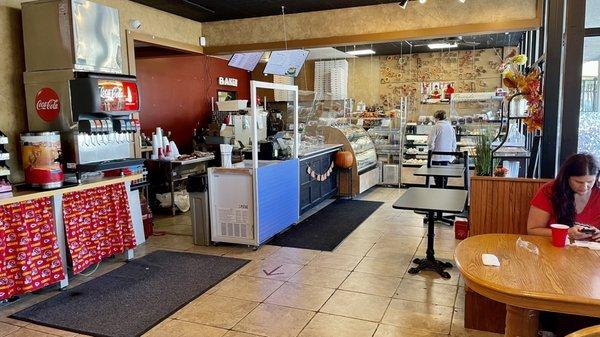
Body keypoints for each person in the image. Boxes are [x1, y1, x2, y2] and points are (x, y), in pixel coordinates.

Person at [527, 153, 600, 241]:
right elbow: (532, 230)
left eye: (590, 182)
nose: (584, 187)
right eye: (578, 182)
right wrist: (567, 232)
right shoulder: (550, 190)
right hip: (553, 248)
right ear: (566, 177)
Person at [427, 110, 457, 188]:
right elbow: (454, 143)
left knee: (437, 177)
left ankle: (439, 192)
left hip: (436, 157)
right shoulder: (450, 127)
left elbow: (430, 142)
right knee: (445, 176)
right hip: (447, 157)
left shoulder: (436, 127)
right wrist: (452, 154)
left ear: (436, 118)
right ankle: (444, 190)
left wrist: (431, 150)